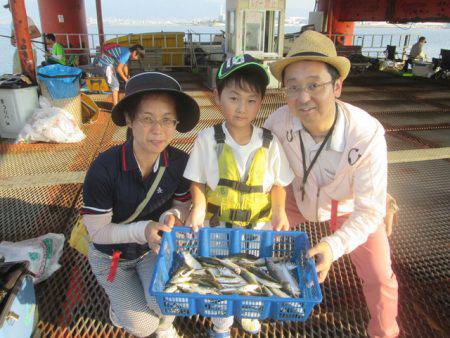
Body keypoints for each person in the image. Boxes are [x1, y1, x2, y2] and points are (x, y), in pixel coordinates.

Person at [264, 31, 399, 338]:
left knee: (381, 276)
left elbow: (367, 211)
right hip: (294, 199)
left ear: (337, 86)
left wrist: (332, 244)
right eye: (294, 87)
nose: (303, 97)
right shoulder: (277, 123)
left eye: (314, 85)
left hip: (346, 204)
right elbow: (266, 175)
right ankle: (258, 308)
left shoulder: (366, 134)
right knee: (259, 240)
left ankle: (384, 331)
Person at [81, 72, 200, 338]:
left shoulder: (179, 163)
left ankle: (165, 326)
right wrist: (145, 228)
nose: (158, 130)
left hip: (149, 250)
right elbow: (98, 233)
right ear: (129, 120)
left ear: (176, 123)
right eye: (147, 119)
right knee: (143, 327)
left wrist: (172, 215)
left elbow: (182, 205)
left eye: (167, 120)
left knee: (169, 305)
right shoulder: (104, 168)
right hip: (111, 255)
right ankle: (119, 305)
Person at [184, 54, 294, 337]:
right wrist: (197, 207)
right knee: (220, 278)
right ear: (217, 96)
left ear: (261, 102)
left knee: (256, 275)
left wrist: (280, 212)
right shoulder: (206, 139)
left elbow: (279, 184)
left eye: (251, 100)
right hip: (218, 230)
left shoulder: (270, 141)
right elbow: (196, 180)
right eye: (233, 98)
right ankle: (220, 325)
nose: (241, 108)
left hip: (258, 230)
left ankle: (249, 314)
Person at [4, 1, 40, 73]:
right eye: (9, 7)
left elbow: (38, 33)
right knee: (17, 73)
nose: (10, 9)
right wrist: (13, 40)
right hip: (19, 50)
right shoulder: (12, 21)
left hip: (30, 50)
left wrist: (23, 37)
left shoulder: (27, 19)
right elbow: (12, 37)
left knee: (30, 73)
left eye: (11, 6)